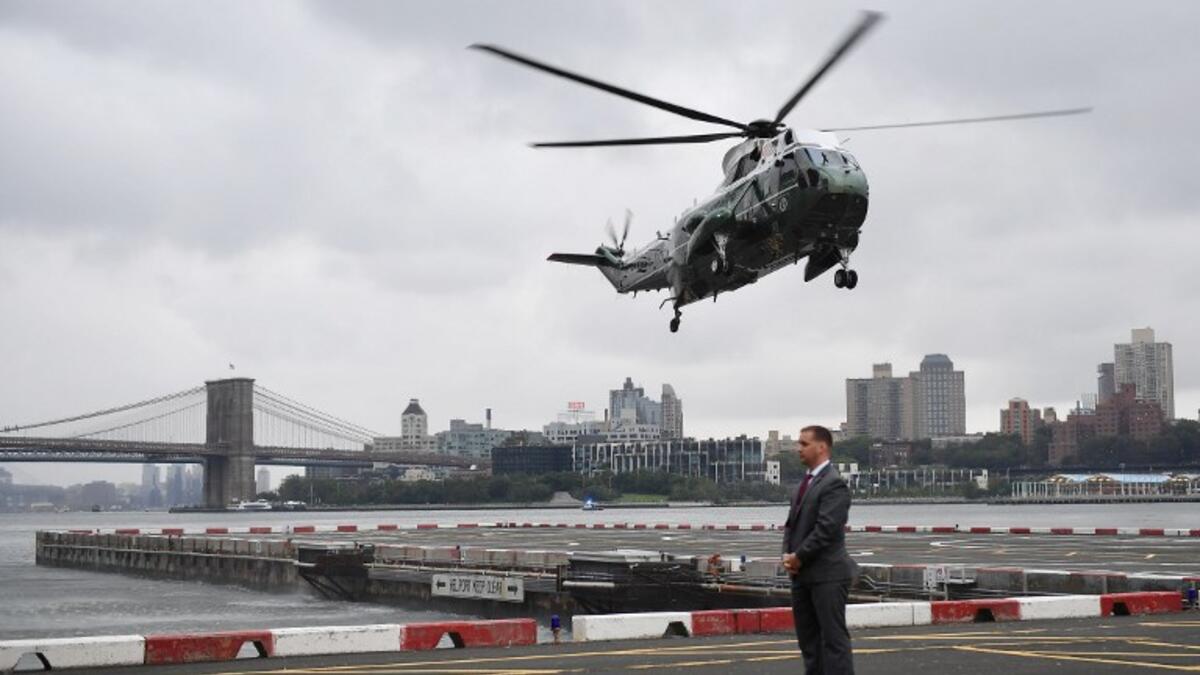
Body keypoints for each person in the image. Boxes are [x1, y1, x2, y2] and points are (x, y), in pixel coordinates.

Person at [782, 424, 857, 674]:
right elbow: (791, 525)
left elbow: (826, 529)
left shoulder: (833, 484)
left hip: (828, 575)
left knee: (833, 642)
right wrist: (787, 555)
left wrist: (798, 556)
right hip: (802, 575)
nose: (798, 449)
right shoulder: (804, 483)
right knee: (810, 644)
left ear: (822, 447)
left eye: (804, 444)